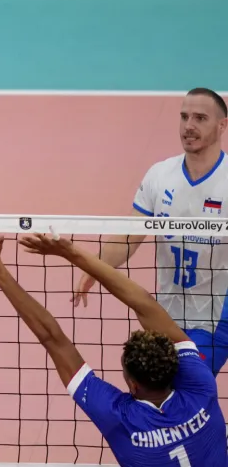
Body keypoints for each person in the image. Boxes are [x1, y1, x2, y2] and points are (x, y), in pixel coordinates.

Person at [0, 232, 227, 466]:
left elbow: (52, 337)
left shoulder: (118, 417)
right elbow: (144, 303)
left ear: (132, 386)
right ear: (175, 367)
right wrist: (71, 252)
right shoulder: (201, 385)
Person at [72, 87, 228, 372]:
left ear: (222, 125)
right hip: (164, 312)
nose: (189, 126)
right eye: (184, 117)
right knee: (154, 386)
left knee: (186, 385)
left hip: (215, 316)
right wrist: (94, 267)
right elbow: (130, 237)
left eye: (200, 118)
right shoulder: (160, 176)